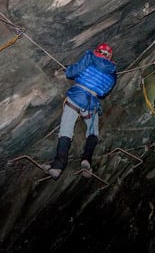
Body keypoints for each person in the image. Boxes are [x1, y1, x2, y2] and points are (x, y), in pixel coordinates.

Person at [47, 42, 117, 179]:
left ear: (98, 51)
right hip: (92, 104)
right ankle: (86, 159)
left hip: (76, 97)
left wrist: (67, 69)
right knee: (93, 132)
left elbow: (74, 72)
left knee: (66, 131)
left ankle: (58, 166)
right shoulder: (113, 72)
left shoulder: (90, 56)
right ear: (109, 56)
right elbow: (105, 92)